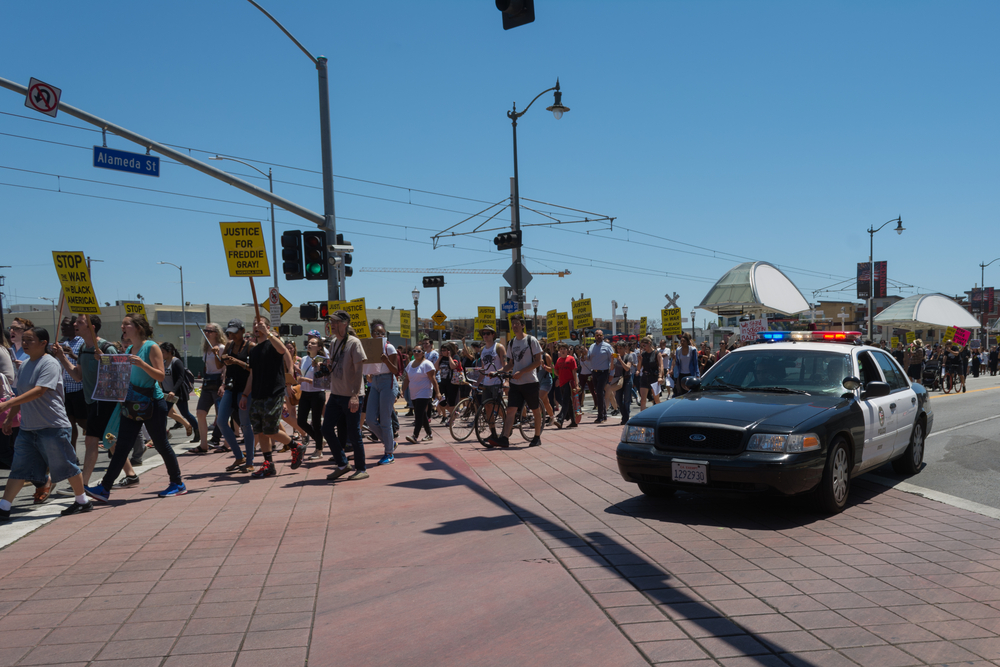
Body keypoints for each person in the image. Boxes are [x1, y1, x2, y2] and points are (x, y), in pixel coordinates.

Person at [82, 315, 186, 502]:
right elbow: (117, 367)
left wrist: (142, 364)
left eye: (126, 324)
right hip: (131, 404)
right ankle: (105, 488)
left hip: (152, 403)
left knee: (161, 444)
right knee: (122, 447)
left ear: (137, 327)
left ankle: (177, 483)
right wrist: (103, 359)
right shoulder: (129, 348)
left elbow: (161, 377)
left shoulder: (151, 347)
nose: (122, 326)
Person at [0, 327, 94, 521]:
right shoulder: (24, 365)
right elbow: (20, 395)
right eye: (23, 340)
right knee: (19, 467)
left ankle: (82, 501)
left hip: (52, 426)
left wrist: (8, 404)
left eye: (30, 340)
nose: (24, 343)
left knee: (67, 466)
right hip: (28, 428)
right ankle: (4, 507)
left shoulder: (50, 363)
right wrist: (10, 418)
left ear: (44, 343)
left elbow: (40, 390)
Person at [49, 315, 118, 490]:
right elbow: (77, 376)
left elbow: (119, 376)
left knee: (91, 441)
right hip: (91, 401)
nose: (74, 324)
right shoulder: (83, 349)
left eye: (80, 322)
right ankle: (131, 474)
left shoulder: (106, 348)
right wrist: (62, 357)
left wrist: (105, 361)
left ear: (92, 326)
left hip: (103, 402)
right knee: (110, 441)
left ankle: (82, 485)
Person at [240, 316, 295, 478]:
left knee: (270, 429)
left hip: (273, 392)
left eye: (260, 324)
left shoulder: (273, 343)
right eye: (254, 324)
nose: (256, 326)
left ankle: (295, 445)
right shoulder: (254, 350)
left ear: (267, 327)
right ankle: (268, 464)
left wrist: (269, 334)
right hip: (257, 394)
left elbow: (283, 351)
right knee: (260, 431)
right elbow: (252, 375)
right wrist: (245, 394)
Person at [322, 311, 370, 481]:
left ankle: (361, 469)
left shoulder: (354, 343)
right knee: (326, 429)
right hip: (335, 395)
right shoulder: (334, 342)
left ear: (344, 323)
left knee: (354, 432)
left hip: (351, 396)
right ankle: (343, 464)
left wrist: (355, 396)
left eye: (335, 321)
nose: (331, 324)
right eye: (331, 321)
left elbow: (359, 372)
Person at [487, 314, 543, 448]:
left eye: (517, 323)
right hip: (515, 383)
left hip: (530, 382)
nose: (515, 326)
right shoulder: (511, 343)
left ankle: (536, 437)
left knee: (535, 409)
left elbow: (538, 362)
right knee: (511, 410)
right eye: (513, 324)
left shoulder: (531, 340)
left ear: (523, 325)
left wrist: (522, 372)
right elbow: (511, 363)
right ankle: (505, 438)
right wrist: (498, 372)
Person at [364, 319, 399, 465]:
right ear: (372, 334)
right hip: (375, 382)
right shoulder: (370, 348)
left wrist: (386, 361)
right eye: (376, 333)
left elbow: (396, 370)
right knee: (370, 420)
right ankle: (389, 442)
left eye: (382, 333)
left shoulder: (389, 348)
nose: (379, 335)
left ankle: (389, 453)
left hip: (388, 381)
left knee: (385, 419)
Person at [190, 323, 227, 453]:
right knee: (200, 412)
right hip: (208, 382)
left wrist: (223, 384)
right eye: (205, 330)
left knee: (221, 415)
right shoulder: (206, 348)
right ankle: (203, 444)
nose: (206, 333)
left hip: (218, 381)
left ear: (217, 332)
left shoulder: (222, 347)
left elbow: (225, 367)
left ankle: (227, 444)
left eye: (209, 331)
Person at [57, 316, 87, 449]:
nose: (63, 327)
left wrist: (72, 355)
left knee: (83, 422)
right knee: (69, 423)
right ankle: (72, 453)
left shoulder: (82, 343)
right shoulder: (61, 343)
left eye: (66, 325)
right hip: (66, 389)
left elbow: (85, 362)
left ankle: (111, 444)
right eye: (62, 325)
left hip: (80, 388)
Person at [402, 346, 440, 445]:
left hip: (424, 392)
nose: (416, 353)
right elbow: (407, 379)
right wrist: (402, 390)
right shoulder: (410, 364)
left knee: (418, 414)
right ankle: (429, 434)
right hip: (413, 393)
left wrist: (438, 392)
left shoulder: (427, 364)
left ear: (423, 353)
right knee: (422, 414)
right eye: (414, 351)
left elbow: (433, 379)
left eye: (419, 351)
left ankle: (415, 436)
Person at [298, 333, 327, 461]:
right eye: (309, 343)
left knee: (316, 422)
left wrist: (308, 378)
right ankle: (319, 439)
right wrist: (299, 378)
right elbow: (301, 374)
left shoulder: (321, 359)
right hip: (305, 392)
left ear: (319, 347)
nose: (309, 344)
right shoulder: (304, 359)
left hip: (317, 393)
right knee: (301, 421)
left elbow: (324, 379)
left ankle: (319, 450)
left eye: (313, 343)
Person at [476, 326, 506, 440]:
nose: (485, 335)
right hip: (487, 383)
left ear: (493, 334)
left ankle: (508, 424)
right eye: (483, 333)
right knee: (487, 408)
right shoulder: (482, 350)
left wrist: (496, 372)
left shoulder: (499, 347)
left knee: (498, 407)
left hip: (497, 381)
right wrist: (476, 383)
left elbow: (505, 365)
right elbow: (483, 369)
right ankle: (493, 433)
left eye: (487, 333)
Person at [587, 330, 615, 424]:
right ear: (594, 336)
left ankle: (600, 416)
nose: (598, 336)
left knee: (599, 392)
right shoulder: (592, 346)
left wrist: (611, 374)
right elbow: (588, 358)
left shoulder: (607, 346)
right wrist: (584, 354)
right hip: (594, 372)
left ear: (603, 336)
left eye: (600, 335)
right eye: (597, 335)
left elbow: (612, 360)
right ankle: (604, 415)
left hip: (604, 372)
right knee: (599, 393)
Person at [554, 343, 579, 429]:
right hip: (562, 384)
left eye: (564, 349)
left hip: (569, 383)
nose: (562, 350)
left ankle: (560, 420)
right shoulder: (559, 360)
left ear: (567, 350)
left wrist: (576, 384)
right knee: (568, 403)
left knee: (565, 402)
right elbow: (556, 372)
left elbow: (574, 372)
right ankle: (573, 422)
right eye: (561, 349)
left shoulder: (571, 359)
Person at [636, 336, 663, 411]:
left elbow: (661, 366)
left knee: (656, 400)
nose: (643, 347)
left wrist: (660, 376)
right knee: (643, 400)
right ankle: (642, 418)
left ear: (649, 343)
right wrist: (640, 360)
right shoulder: (643, 354)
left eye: (644, 345)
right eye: (642, 346)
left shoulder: (656, 353)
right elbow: (639, 368)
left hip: (654, 377)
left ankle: (659, 413)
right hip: (645, 377)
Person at [672, 333, 700, 397]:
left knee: (690, 391)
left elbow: (695, 363)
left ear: (687, 342)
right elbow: (677, 363)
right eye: (681, 341)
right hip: (681, 373)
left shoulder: (693, 350)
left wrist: (697, 374)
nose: (682, 342)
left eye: (684, 341)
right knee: (682, 392)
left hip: (690, 373)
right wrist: (674, 358)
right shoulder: (678, 350)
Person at [613, 341, 634, 424]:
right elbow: (611, 368)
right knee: (618, 399)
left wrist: (620, 360)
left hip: (627, 379)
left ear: (625, 348)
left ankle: (625, 418)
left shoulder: (629, 357)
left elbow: (627, 368)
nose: (618, 350)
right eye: (617, 348)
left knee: (627, 400)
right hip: (619, 380)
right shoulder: (616, 358)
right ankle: (624, 415)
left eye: (620, 348)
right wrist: (612, 360)